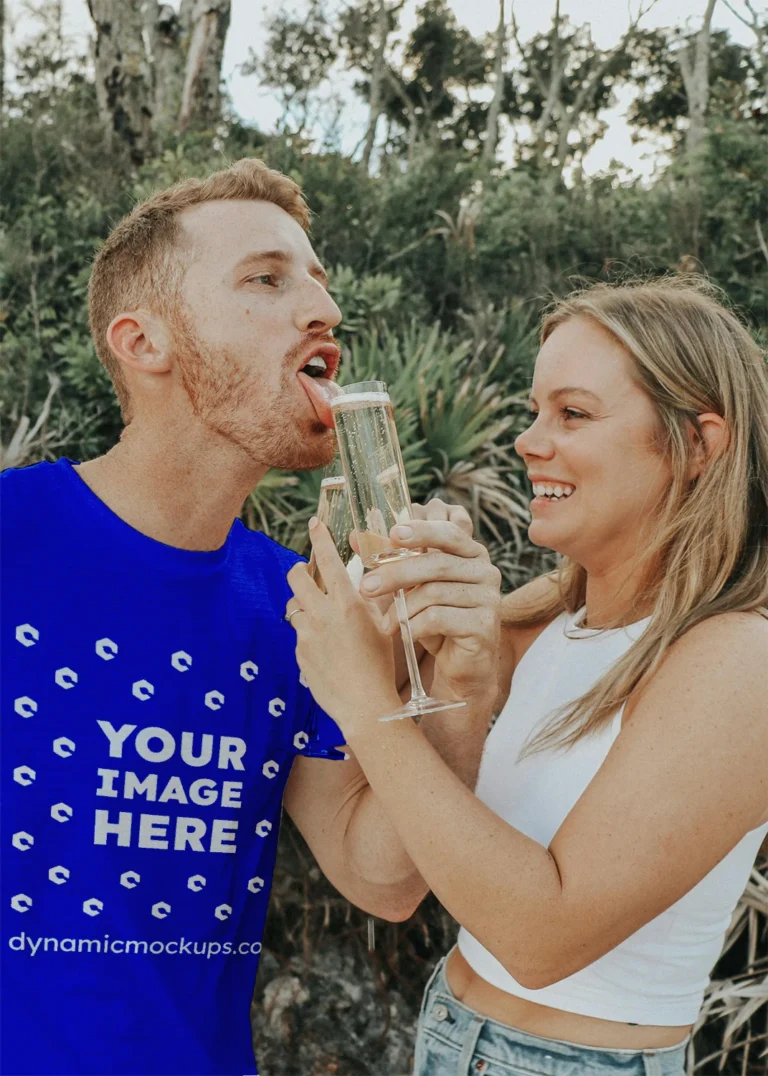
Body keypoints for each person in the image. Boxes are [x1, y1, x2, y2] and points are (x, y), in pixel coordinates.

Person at [0, 159, 499, 1076]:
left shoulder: (299, 604)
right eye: (267, 280)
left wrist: (464, 681)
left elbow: (381, 877)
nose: (324, 310)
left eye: (318, 281)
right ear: (142, 341)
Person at [287, 278, 768, 1076]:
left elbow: (542, 937)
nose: (528, 441)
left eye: (572, 413)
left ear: (699, 445)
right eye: (536, 409)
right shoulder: (543, 616)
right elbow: (387, 869)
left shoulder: (738, 657)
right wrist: (447, 668)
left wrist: (367, 701)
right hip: (448, 1028)